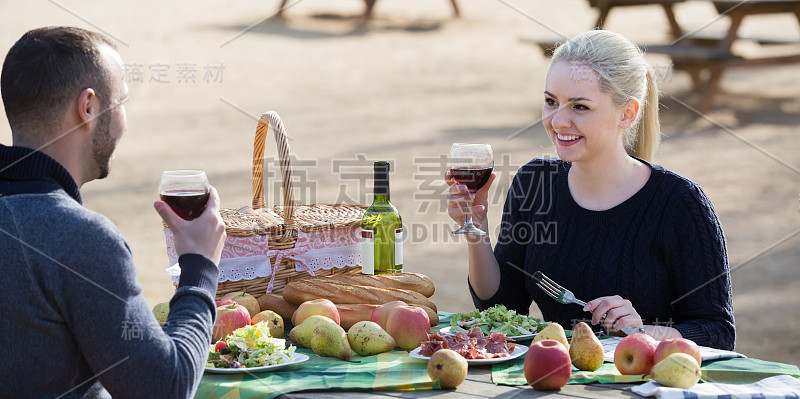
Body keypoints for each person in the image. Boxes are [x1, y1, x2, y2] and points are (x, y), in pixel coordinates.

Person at [446, 30, 735, 350]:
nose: (558, 121)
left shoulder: (680, 203)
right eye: (551, 102)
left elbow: (718, 332)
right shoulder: (535, 182)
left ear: (627, 113)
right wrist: (477, 229)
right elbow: (502, 307)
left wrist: (643, 331)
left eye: (579, 107)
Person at [0, 27, 226, 397]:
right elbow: (166, 388)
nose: (124, 122)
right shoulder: (80, 238)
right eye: (121, 102)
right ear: (87, 107)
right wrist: (200, 268)